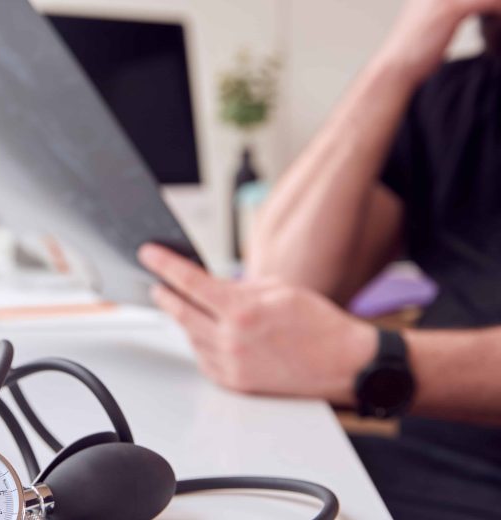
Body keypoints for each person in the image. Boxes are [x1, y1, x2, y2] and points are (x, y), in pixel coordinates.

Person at [137, 0, 501, 518]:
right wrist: (400, 57)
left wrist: (371, 361)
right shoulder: (459, 94)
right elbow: (283, 279)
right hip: (427, 462)